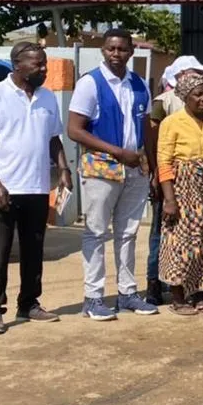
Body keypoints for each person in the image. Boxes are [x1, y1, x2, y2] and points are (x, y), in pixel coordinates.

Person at [0, 42, 73, 335]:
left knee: (34, 249)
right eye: (38, 64)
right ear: (17, 65)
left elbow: (54, 138)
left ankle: (29, 303)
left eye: (45, 63)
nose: (44, 69)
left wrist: (64, 170)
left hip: (37, 186)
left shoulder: (48, 97)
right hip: (3, 188)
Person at [67, 28, 158, 320]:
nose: (116, 54)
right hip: (101, 167)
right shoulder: (90, 83)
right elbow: (74, 130)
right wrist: (118, 152)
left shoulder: (139, 84)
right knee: (96, 232)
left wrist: (152, 166)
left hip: (135, 168)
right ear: (103, 50)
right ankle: (93, 298)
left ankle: (127, 293)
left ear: (131, 51)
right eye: (110, 49)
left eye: (121, 49)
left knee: (128, 233)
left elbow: (147, 129)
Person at [156, 73, 203, 315]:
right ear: (185, 97)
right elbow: (164, 163)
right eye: (197, 94)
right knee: (182, 243)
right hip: (182, 191)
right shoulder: (171, 122)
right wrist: (169, 200)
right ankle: (178, 298)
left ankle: (199, 294)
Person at [144, 54, 203, 305]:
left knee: (196, 238)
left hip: (199, 185)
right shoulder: (163, 102)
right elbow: (152, 141)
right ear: (181, 74)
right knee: (164, 234)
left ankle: (191, 286)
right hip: (169, 178)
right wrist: (156, 175)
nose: (199, 76)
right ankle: (154, 284)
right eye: (194, 71)